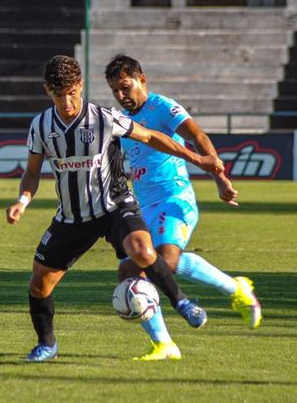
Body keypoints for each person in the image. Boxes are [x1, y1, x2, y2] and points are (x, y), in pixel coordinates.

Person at [6, 55, 224, 362]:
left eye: (72, 93)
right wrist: (22, 201)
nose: (67, 102)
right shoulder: (41, 126)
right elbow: (31, 172)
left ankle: (182, 303)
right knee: (39, 284)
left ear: (80, 85)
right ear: (47, 92)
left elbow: (151, 137)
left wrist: (199, 160)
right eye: (59, 96)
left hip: (114, 207)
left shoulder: (103, 118)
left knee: (143, 250)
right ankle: (47, 344)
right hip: (73, 217)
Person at [104, 54, 262, 361]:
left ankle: (236, 288)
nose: (122, 96)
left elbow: (198, 136)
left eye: (125, 87)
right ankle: (165, 345)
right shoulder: (121, 121)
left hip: (174, 198)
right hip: (143, 208)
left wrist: (220, 178)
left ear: (142, 79)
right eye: (115, 91)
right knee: (128, 272)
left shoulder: (163, 107)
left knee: (164, 261)